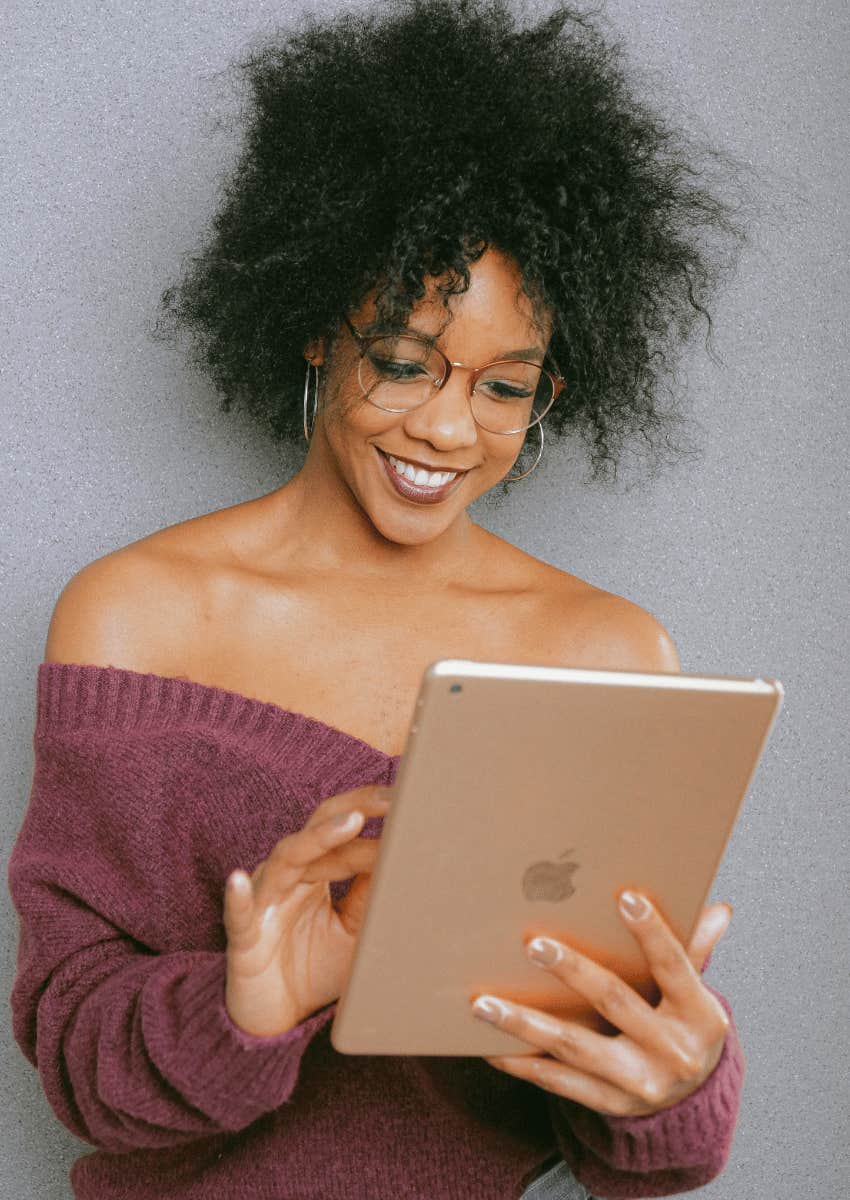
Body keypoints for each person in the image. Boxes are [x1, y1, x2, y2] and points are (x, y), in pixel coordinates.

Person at [8, 2, 748, 1197]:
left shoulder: (603, 647)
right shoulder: (139, 615)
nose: (448, 428)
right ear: (314, 326)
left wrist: (678, 1083)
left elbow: (626, 1127)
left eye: (505, 388)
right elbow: (74, 1060)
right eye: (404, 362)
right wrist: (258, 1000)